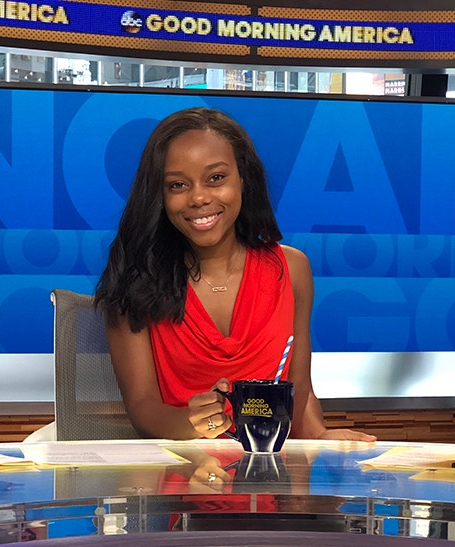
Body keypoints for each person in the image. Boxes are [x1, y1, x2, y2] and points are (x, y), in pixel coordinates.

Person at [95, 107, 375, 443]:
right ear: (159, 195)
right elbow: (143, 409)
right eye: (178, 185)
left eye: (216, 178)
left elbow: (299, 392)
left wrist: (319, 436)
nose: (199, 198)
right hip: (181, 480)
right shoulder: (135, 279)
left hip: (271, 479)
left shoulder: (293, 270)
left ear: (243, 178)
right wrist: (191, 422)